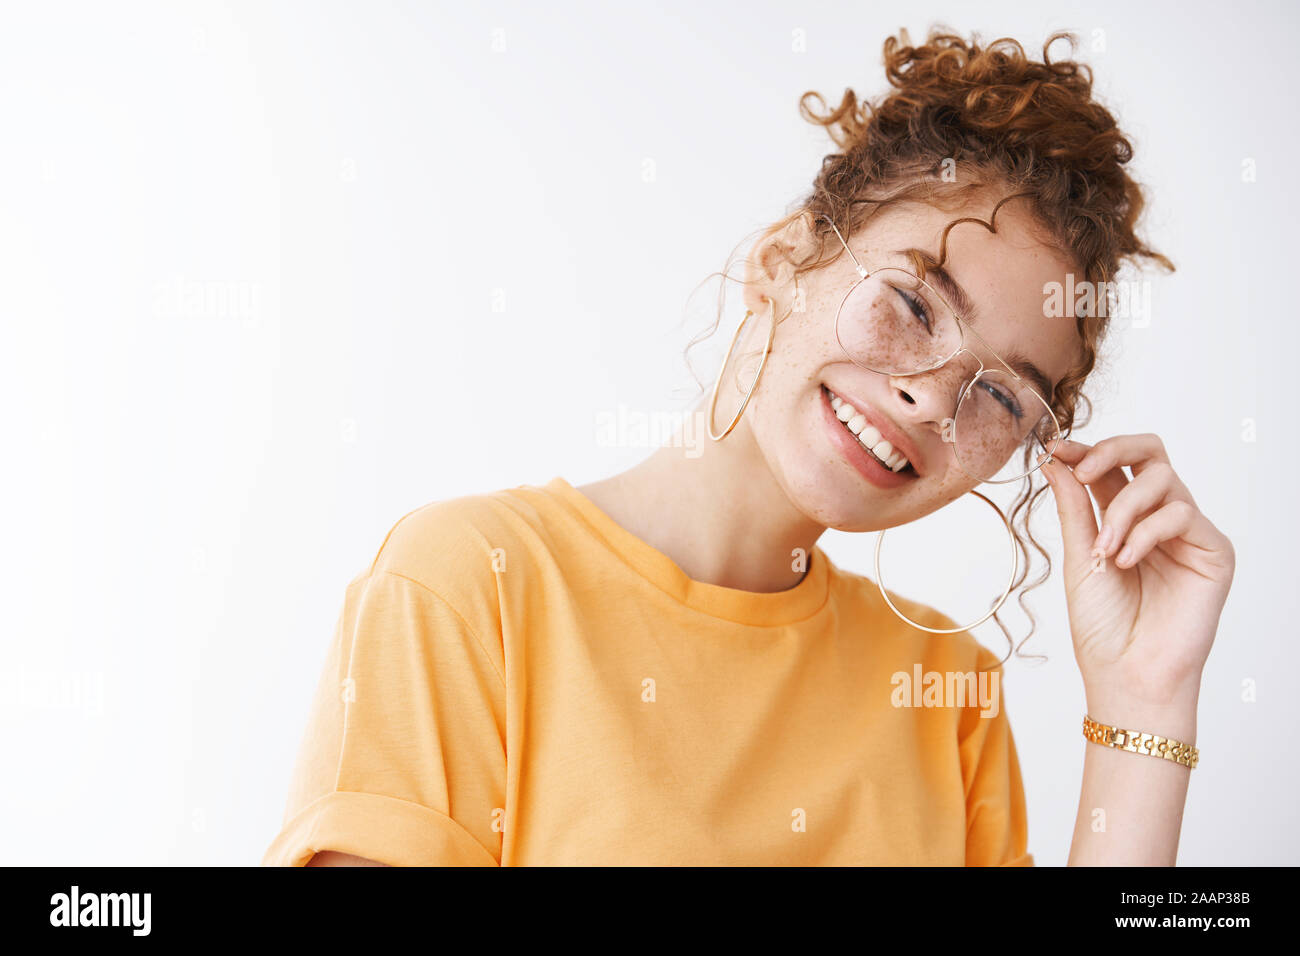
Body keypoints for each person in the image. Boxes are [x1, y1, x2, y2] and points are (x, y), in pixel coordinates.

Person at [262, 28, 1234, 867]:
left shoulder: (948, 698)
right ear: (783, 258)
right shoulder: (475, 583)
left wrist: (1143, 705)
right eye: (910, 302)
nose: (926, 398)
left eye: (998, 394)